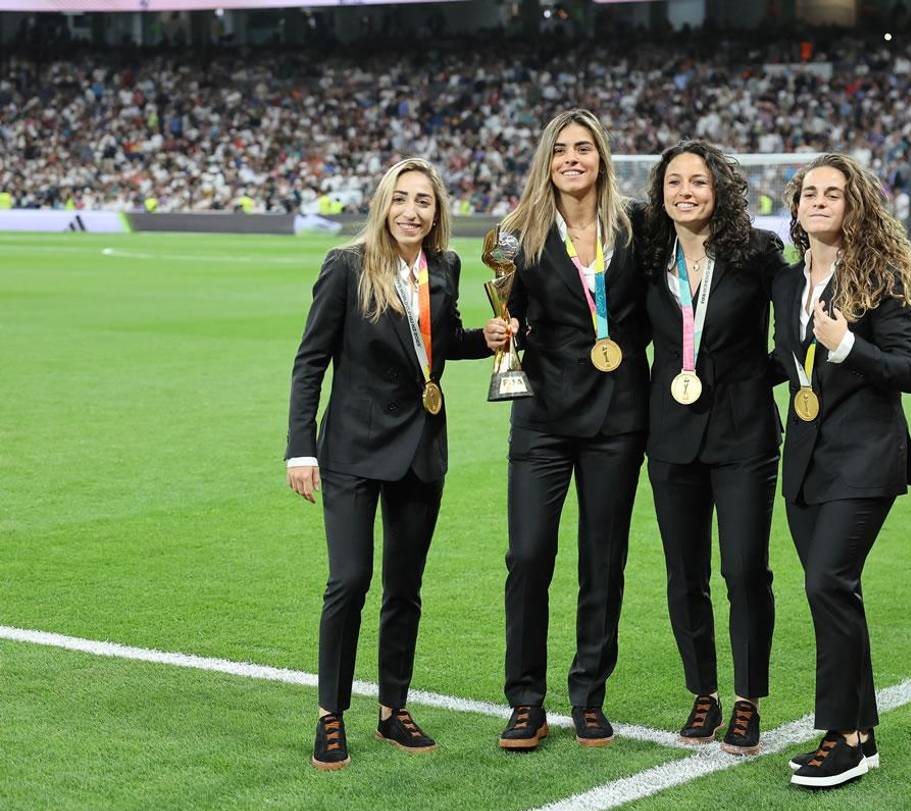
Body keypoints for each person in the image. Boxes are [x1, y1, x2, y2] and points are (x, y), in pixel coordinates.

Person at [286, 157, 490, 770]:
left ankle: (392, 709)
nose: (411, 211)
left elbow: (439, 343)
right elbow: (310, 361)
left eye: (423, 201)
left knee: (405, 587)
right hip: (352, 449)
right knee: (349, 581)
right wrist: (300, 447)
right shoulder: (346, 266)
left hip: (421, 448)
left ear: (437, 210)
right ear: (383, 204)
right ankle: (330, 714)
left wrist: (487, 341)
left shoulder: (445, 266)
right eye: (401, 198)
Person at [482, 109, 649, 750]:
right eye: (560, 150)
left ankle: (588, 695)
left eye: (583, 148)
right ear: (545, 162)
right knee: (527, 556)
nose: (571, 159)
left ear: (601, 157)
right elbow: (510, 309)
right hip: (543, 415)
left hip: (618, 415)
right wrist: (503, 331)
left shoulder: (636, 226)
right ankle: (526, 700)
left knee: (602, 560)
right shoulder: (514, 233)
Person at [772, 153, 911, 788]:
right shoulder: (788, 282)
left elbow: (910, 371)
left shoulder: (880, 275)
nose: (818, 201)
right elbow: (787, 359)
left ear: (854, 206)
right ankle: (862, 735)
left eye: (832, 193)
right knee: (836, 592)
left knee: (826, 584)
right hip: (805, 459)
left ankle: (839, 737)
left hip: (865, 457)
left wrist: (846, 345)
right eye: (809, 193)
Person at [639, 140, 787, 755]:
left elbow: (795, 332)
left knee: (744, 570)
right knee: (685, 574)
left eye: (698, 181)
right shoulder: (649, 255)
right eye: (674, 182)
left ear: (720, 189)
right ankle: (703, 692)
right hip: (671, 437)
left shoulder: (759, 253)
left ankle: (748, 698)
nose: (685, 192)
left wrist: (751, 380)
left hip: (744, 434)